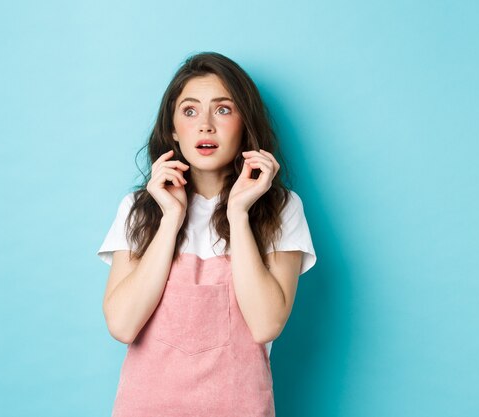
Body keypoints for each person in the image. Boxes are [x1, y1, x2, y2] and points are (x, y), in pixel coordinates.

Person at [96, 51, 317, 417]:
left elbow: (265, 324)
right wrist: (170, 218)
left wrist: (239, 213)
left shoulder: (280, 208)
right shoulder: (138, 207)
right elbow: (122, 324)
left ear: (245, 123)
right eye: (190, 111)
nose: (206, 126)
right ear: (172, 129)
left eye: (224, 109)